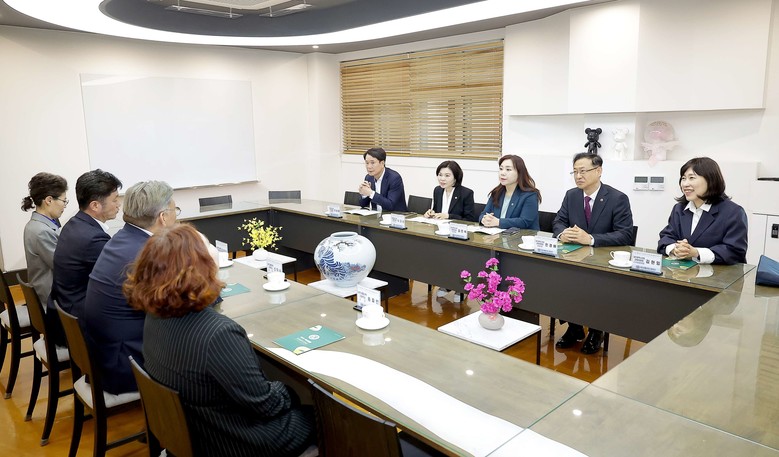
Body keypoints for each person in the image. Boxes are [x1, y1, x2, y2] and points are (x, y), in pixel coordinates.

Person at [124, 224, 316, 457]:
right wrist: (290, 390)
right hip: (231, 442)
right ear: (200, 269)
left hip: (194, 430)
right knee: (321, 416)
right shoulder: (219, 334)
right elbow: (266, 405)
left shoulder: (155, 315)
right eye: (207, 245)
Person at [83, 181, 178, 395]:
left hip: (103, 354)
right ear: (163, 217)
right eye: (175, 211)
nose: (176, 217)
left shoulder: (122, 238)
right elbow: (179, 304)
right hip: (126, 363)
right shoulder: (147, 254)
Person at [553, 152, 634, 354]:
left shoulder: (617, 198)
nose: (578, 176)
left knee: (595, 286)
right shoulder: (571, 195)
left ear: (598, 171)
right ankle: (574, 327)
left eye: (583, 171)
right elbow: (559, 221)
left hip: (603, 262)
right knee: (558, 279)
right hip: (574, 259)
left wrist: (591, 239)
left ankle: (597, 330)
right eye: (575, 172)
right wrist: (563, 233)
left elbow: (625, 234)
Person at [47, 169, 122, 346]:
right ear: (95, 205)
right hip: (76, 326)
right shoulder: (93, 238)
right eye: (115, 200)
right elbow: (118, 281)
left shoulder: (74, 224)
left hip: (63, 312)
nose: (118, 204)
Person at [657, 157, 747, 265]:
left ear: (710, 180)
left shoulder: (733, 212)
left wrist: (696, 253)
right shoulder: (679, 209)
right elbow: (666, 237)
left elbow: (735, 251)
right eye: (683, 178)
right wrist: (675, 249)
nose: (685, 184)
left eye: (692, 178)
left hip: (720, 274)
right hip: (684, 273)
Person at [21, 172, 68, 305]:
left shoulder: (37, 224)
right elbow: (62, 266)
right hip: (50, 299)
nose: (65, 205)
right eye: (64, 201)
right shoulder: (42, 231)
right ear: (49, 200)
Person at [479, 154, 541, 230]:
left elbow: (525, 221)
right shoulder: (496, 192)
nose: (502, 173)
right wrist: (484, 219)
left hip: (522, 236)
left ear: (519, 173)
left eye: (508, 169)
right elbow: (484, 214)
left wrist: (498, 222)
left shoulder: (530, 195)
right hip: (497, 235)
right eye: (501, 169)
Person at [358, 147, 408, 212]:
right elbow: (363, 205)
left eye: (372, 163)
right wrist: (364, 194)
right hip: (376, 216)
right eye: (367, 163)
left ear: (382, 163)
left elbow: (390, 205)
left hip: (395, 216)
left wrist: (371, 193)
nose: (369, 167)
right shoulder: (369, 177)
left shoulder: (394, 178)